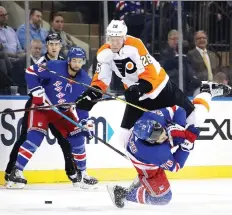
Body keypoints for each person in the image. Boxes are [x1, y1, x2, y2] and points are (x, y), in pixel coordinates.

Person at [75, 20, 231, 151]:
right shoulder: (104, 53)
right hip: (137, 96)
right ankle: (144, 175)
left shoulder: (135, 45)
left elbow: (150, 75)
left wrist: (138, 88)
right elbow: (100, 80)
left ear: (124, 36)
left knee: (193, 121)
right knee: (123, 140)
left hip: (160, 88)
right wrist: (91, 95)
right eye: (111, 38)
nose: (114, 42)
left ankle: (206, 92)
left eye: (118, 38)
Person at [106, 82, 230, 208]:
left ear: (156, 124)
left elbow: (178, 109)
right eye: (158, 138)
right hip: (149, 168)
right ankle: (124, 194)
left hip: (140, 144)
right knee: (163, 198)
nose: (163, 136)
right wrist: (186, 145)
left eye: (160, 131)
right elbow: (176, 166)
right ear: (149, 141)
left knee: (195, 118)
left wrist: (177, 126)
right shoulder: (156, 153)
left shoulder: (151, 116)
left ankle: (206, 91)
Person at [5, 36, 97, 188]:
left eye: (79, 61)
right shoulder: (54, 65)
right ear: (68, 60)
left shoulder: (85, 80)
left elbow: (81, 106)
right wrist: (36, 90)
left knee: (78, 137)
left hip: (62, 111)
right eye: (74, 60)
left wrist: (84, 122)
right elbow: (30, 71)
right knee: (35, 137)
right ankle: (16, 171)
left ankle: (83, 174)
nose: (76, 64)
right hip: (43, 107)